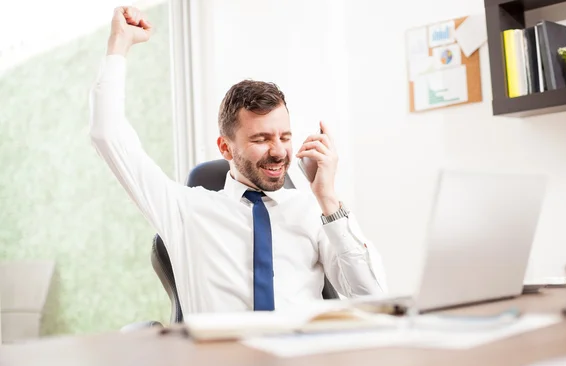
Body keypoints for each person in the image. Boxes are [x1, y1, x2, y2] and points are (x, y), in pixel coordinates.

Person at [89, 6, 387, 315]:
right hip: (223, 361)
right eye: (261, 139)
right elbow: (106, 134)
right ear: (225, 147)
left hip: (301, 356)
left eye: (284, 137)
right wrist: (119, 45)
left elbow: (373, 299)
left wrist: (328, 199)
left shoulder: (312, 211)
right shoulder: (185, 210)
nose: (278, 151)